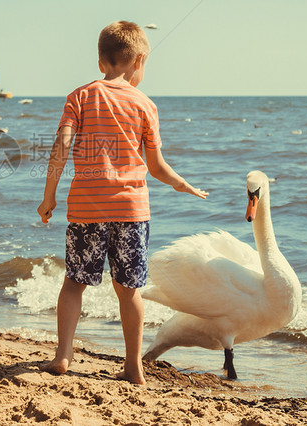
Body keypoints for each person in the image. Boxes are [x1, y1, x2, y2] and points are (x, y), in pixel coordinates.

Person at [36, 20, 209, 385]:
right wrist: (184, 185)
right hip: (131, 212)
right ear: (140, 60)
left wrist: (49, 196)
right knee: (129, 292)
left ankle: (63, 356)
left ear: (101, 62)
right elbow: (157, 167)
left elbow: (61, 148)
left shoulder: (79, 96)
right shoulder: (145, 104)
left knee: (73, 283)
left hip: (86, 209)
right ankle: (133, 365)